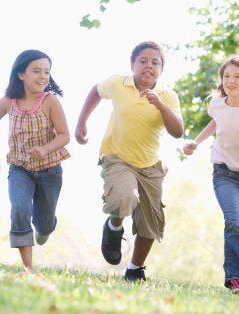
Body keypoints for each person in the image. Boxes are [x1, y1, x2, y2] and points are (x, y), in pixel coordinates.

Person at [74, 41, 183, 282]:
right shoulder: (117, 83)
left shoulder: (168, 96)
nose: (148, 66)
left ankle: (134, 269)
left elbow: (177, 131)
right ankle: (114, 227)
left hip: (150, 165)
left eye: (155, 62)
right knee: (124, 196)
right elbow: (95, 91)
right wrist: (82, 122)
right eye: (143, 61)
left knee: (151, 222)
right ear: (132, 64)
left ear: (162, 69)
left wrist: (160, 105)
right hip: (117, 156)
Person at [182, 55, 239, 294]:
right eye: (226, 76)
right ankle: (236, 278)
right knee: (233, 224)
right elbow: (216, 122)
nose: (231, 80)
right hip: (224, 172)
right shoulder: (217, 104)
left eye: (237, 76)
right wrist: (196, 142)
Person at [0, 50, 70, 274]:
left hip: (50, 171)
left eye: (46, 72)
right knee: (20, 209)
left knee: (43, 223)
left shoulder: (50, 101)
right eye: (37, 71)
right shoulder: (8, 102)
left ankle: (46, 226)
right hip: (19, 168)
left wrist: (45, 149)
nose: (43, 76)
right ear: (21, 74)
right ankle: (28, 268)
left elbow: (64, 135)